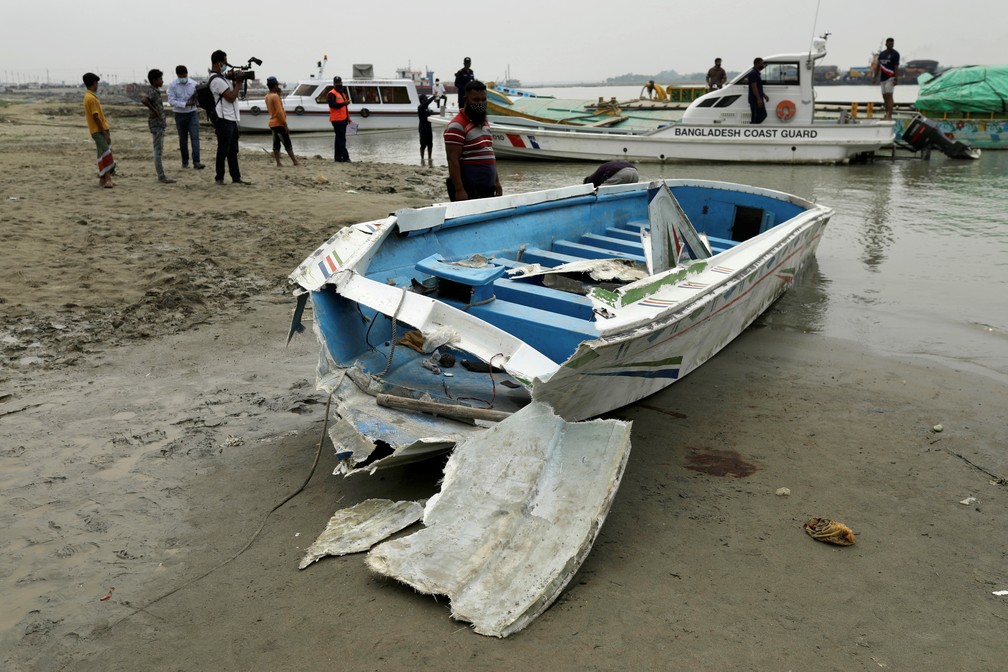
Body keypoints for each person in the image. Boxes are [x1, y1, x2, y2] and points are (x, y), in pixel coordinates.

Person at [444, 80, 501, 202]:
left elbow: (489, 152)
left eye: (483, 100)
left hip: (488, 187)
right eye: (476, 100)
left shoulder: (484, 123)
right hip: (469, 189)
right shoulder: (457, 126)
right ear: (465, 100)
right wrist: (459, 190)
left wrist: (496, 181)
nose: (480, 103)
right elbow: (452, 160)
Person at [209, 49, 250, 185]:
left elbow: (232, 95)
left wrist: (236, 80)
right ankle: (219, 178)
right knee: (223, 149)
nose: (227, 64)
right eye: (225, 62)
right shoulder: (216, 80)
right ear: (219, 63)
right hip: (223, 119)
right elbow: (231, 97)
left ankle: (236, 178)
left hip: (231, 118)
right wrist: (238, 82)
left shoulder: (222, 78)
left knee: (233, 150)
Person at [140, 69, 175, 184]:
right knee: (158, 150)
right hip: (157, 124)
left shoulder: (154, 91)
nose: (162, 81)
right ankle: (161, 176)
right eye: (160, 79)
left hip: (158, 123)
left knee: (158, 149)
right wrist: (154, 110)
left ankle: (161, 175)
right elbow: (144, 100)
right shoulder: (152, 91)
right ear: (154, 80)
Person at [166, 65, 203, 169]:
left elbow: (199, 98)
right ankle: (185, 161)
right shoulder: (172, 85)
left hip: (192, 113)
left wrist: (196, 101)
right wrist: (184, 104)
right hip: (179, 114)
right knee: (183, 139)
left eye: (184, 76)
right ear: (177, 75)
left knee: (195, 137)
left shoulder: (194, 84)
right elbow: (171, 101)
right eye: (180, 76)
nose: (183, 78)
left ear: (187, 74)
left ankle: (196, 161)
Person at [82, 72, 114, 188]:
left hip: (96, 130)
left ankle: (102, 179)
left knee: (101, 154)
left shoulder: (88, 96)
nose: (97, 86)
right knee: (106, 154)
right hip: (99, 130)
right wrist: (104, 132)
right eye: (97, 83)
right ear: (94, 83)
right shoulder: (91, 98)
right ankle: (108, 179)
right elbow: (96, 117)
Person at [265, 76, 299, 167]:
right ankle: (295, 161)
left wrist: (279, 95)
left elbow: (272, 108)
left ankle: (278, 162)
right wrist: (285, 124)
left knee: (276, 144)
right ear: (275, 85)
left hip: (272, 123)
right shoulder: (275, 96)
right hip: (279, 123)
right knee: (287, 143)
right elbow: (279, 112)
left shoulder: (267, 96)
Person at [874, 37, 900, 120]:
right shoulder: (881, 54)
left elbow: (896, 67)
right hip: (882, 79)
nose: (891, 45)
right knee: (884, 97)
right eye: (890, 43)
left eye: (892, 44)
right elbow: (878, 66)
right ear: (886, 44)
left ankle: (890, 115)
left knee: (889, 96)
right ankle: (886, 114)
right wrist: (875, 77)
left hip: (890, 78)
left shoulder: (895, 54)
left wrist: (896, 78)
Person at [327, 76, 351, 162]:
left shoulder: (342, 93)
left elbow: (345, 108)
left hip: (343, 119)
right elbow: (332, 105)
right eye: (337, 83)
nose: (339, 84)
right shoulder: (331, 94)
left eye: (340, 82)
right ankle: (345, 157)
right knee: (341, 139)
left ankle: (338, 158)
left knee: (339, 139)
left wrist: (348, 118)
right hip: (337, 120)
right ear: (334, 84)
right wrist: (344, 103)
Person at [747, 57, 769, 124]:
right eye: (761, 63)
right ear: (757, 63)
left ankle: (755, 126)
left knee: (763, 115)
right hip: (755, 99)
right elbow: (754, 87)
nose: (763, 65)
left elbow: (758, 87)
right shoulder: (753, 73)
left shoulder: (757, 73)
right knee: (755, 117)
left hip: (759, 98)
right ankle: (753, 128)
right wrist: (758, 99)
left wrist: (764, 95)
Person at [417, 94, 437, 164]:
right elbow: (427, 102)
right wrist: (434, 96)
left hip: (429, 128)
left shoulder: (427, 108)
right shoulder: (420, 107)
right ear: (422, 100)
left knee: (430, 144)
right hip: (423, 129)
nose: (426, 100)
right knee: (423, 145)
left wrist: (431, 112)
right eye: (425, 99)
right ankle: (422, 159)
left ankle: (429, 158)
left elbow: (430, 112)